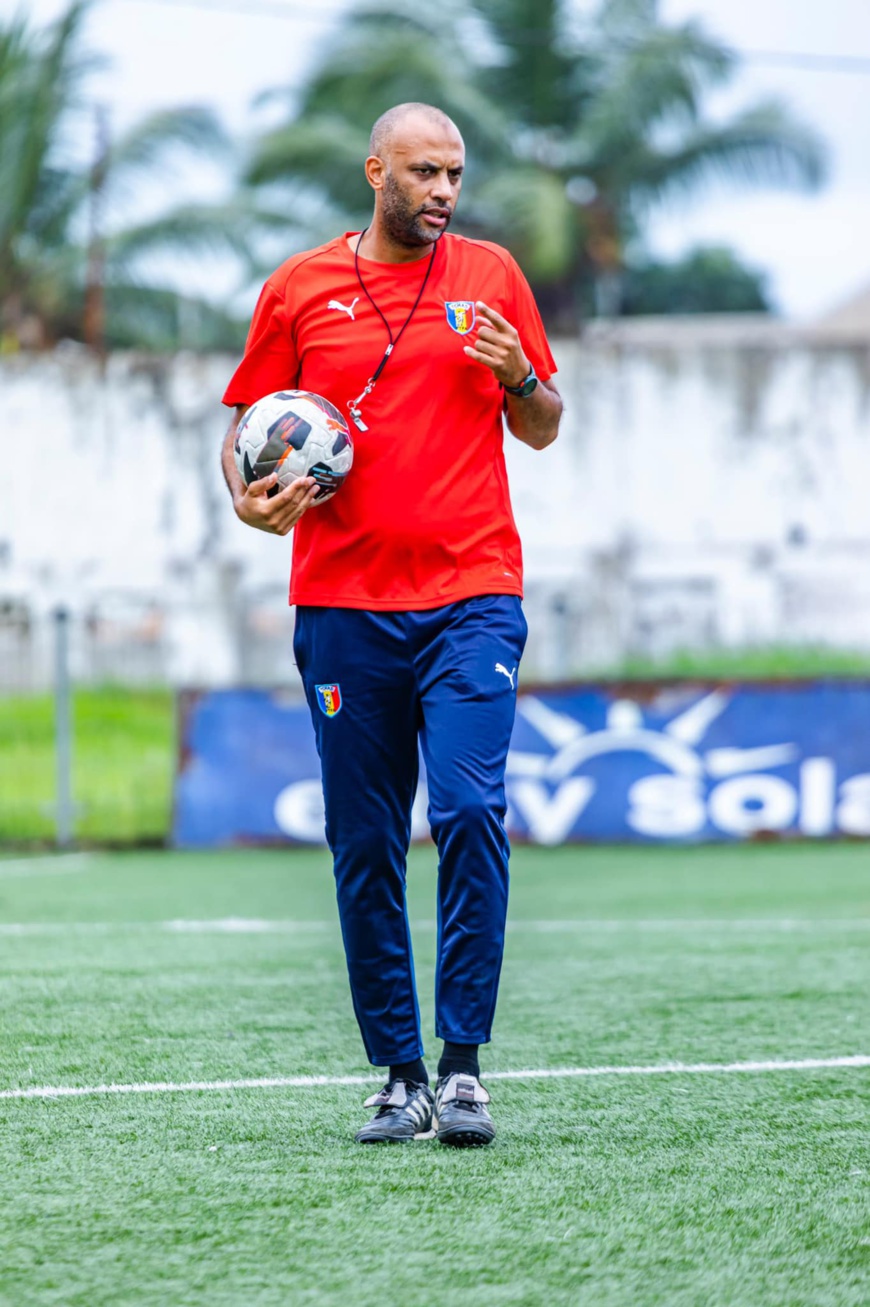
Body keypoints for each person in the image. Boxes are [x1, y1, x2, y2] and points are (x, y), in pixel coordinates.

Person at [221, 102, 562, 1147]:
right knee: (365, 839)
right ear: (376, 171)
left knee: (467, 811)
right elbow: (246, 431)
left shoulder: (493, 277)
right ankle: (399, 1073)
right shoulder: (300, 288)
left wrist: (517, 374)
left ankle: (463, 1069)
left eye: (455, 173)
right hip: (343, 607)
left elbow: (544, 425)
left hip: (472, 597)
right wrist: (248, 500)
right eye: (423, 172)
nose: (444, 192)